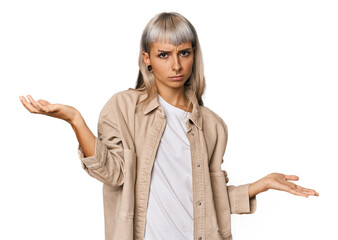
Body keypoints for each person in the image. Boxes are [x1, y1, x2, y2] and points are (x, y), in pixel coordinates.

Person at [19, 11, 319, 240]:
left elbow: (206, 199)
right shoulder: (123, 107)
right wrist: (75, 120)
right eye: (164, 55)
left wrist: (260, 185)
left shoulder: (213, 126)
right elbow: (113, 174)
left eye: (183, 53)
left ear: (193, 55)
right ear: (147, 59)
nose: (176, 65)